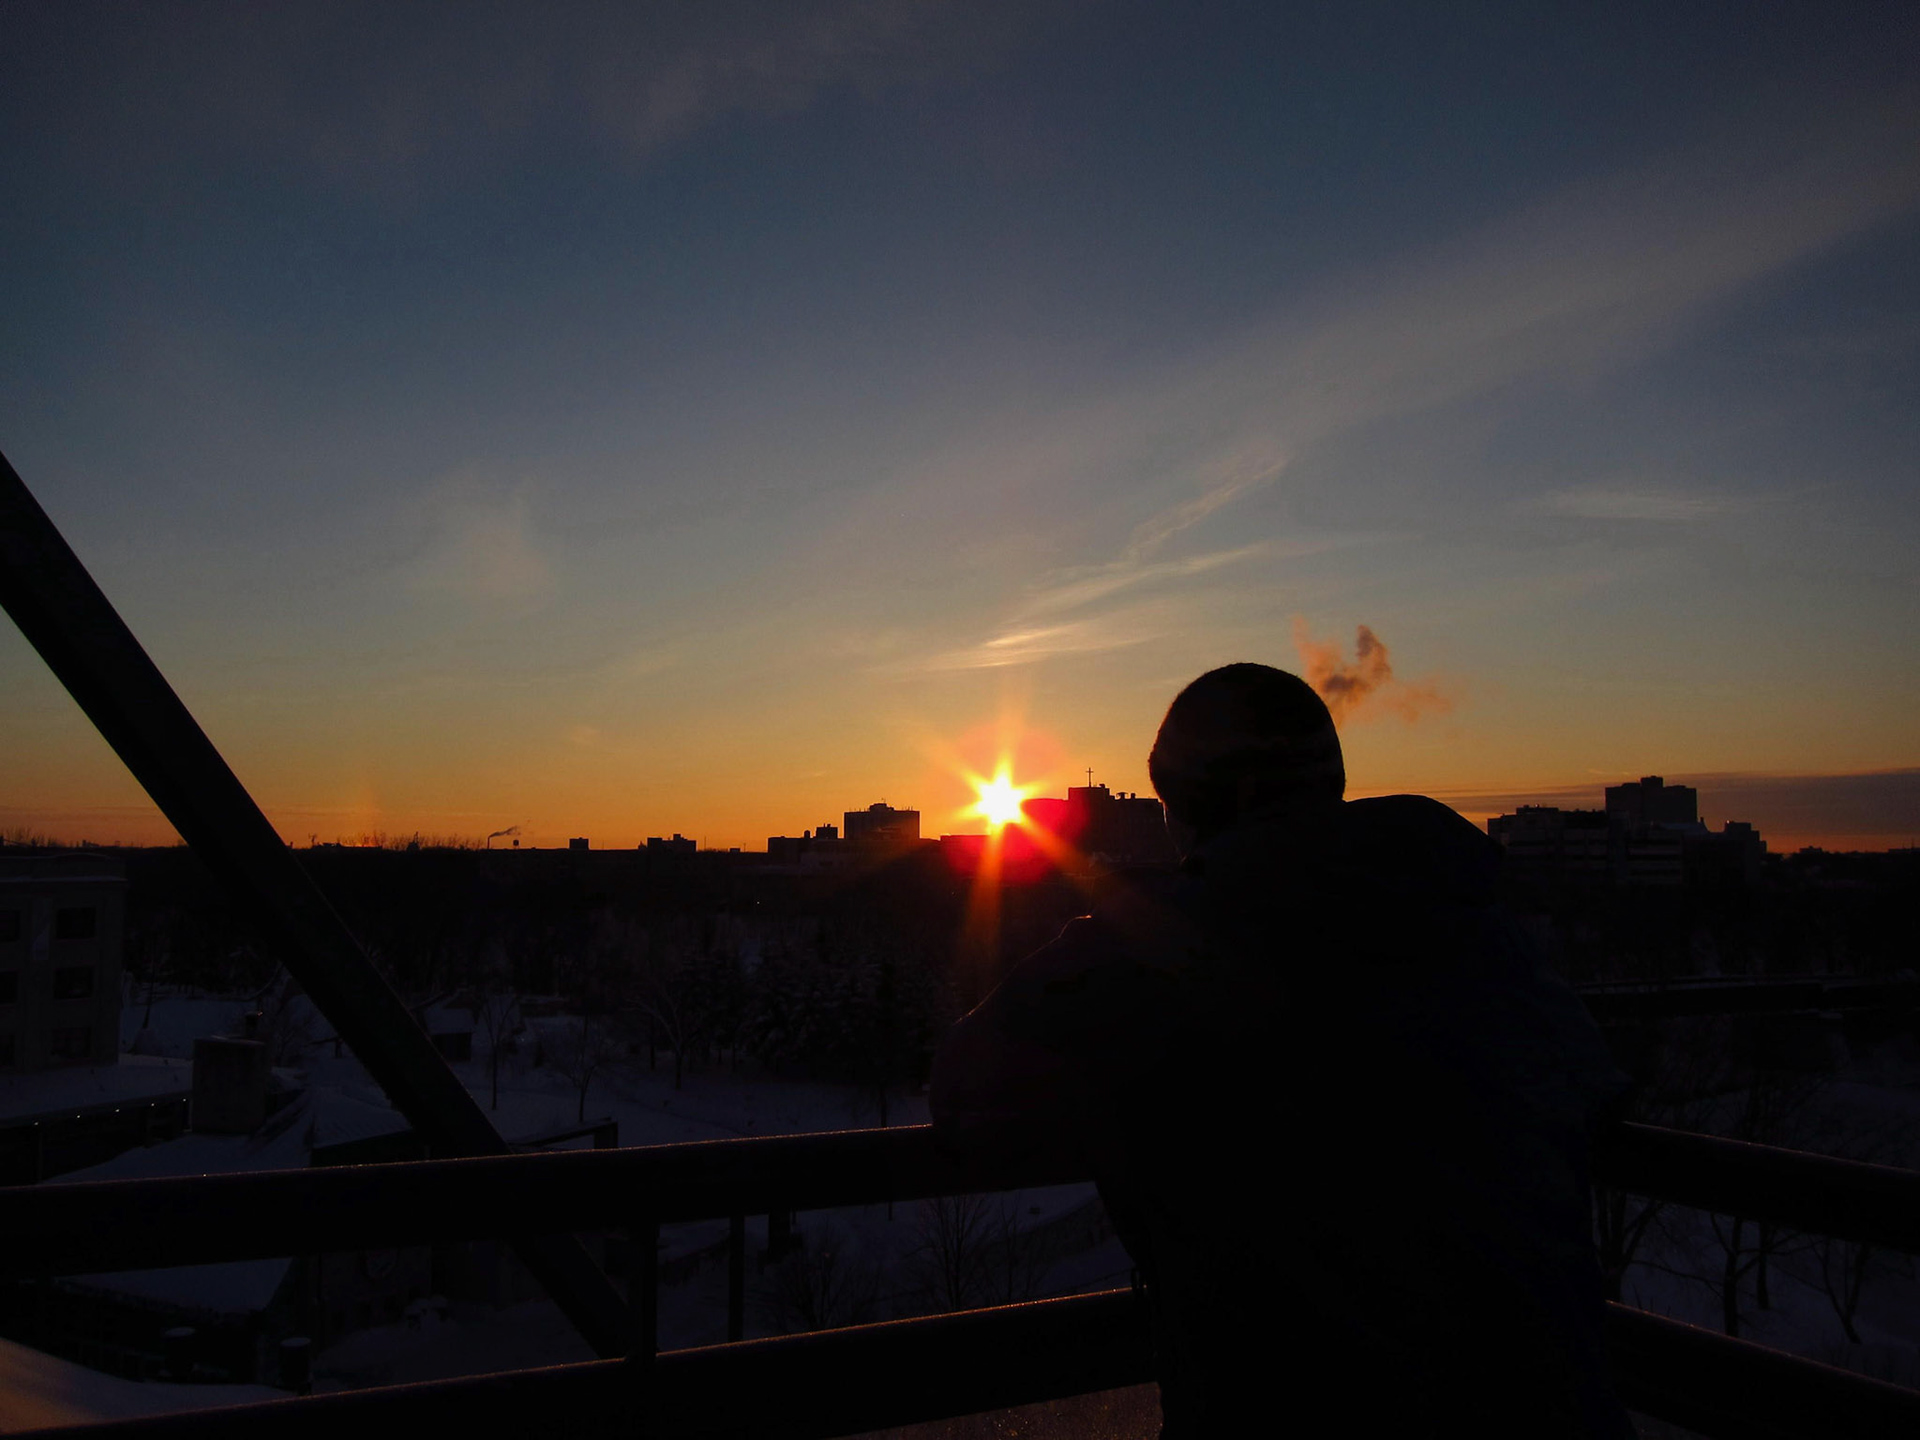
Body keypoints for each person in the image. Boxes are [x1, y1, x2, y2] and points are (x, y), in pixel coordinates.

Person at [929, 663, 1631, 1438]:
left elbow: (966, 1096)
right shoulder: (1483, 935)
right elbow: (1595, 1096)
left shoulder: (1153, 945)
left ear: (1194, 804)